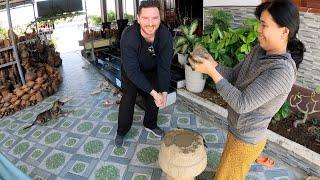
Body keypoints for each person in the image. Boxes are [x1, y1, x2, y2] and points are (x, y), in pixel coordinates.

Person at [191, 0, 305, 179]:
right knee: (225, 172)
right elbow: (234, 76)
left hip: (246, 140)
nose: (258, 29)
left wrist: (211, 72)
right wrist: (212, 63)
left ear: (284, 32)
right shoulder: (259, 50)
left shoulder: (282, 71)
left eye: (264, 25)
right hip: (236, 129)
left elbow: (242, 104)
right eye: (260, 23)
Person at [115, 0, 173, 147]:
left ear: (160, 18)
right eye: (146, 18)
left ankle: (150, 124)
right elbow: (132, 71)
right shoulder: (128, 37)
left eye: (155, 18)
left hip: (152, 69)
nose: (150, 23)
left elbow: (164, 66)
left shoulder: (165, 36)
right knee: (128, 99)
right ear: (138, 18)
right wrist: (153, 92)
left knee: (156, 94)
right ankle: (122, 131)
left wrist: (164, 92)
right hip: (131, 71)